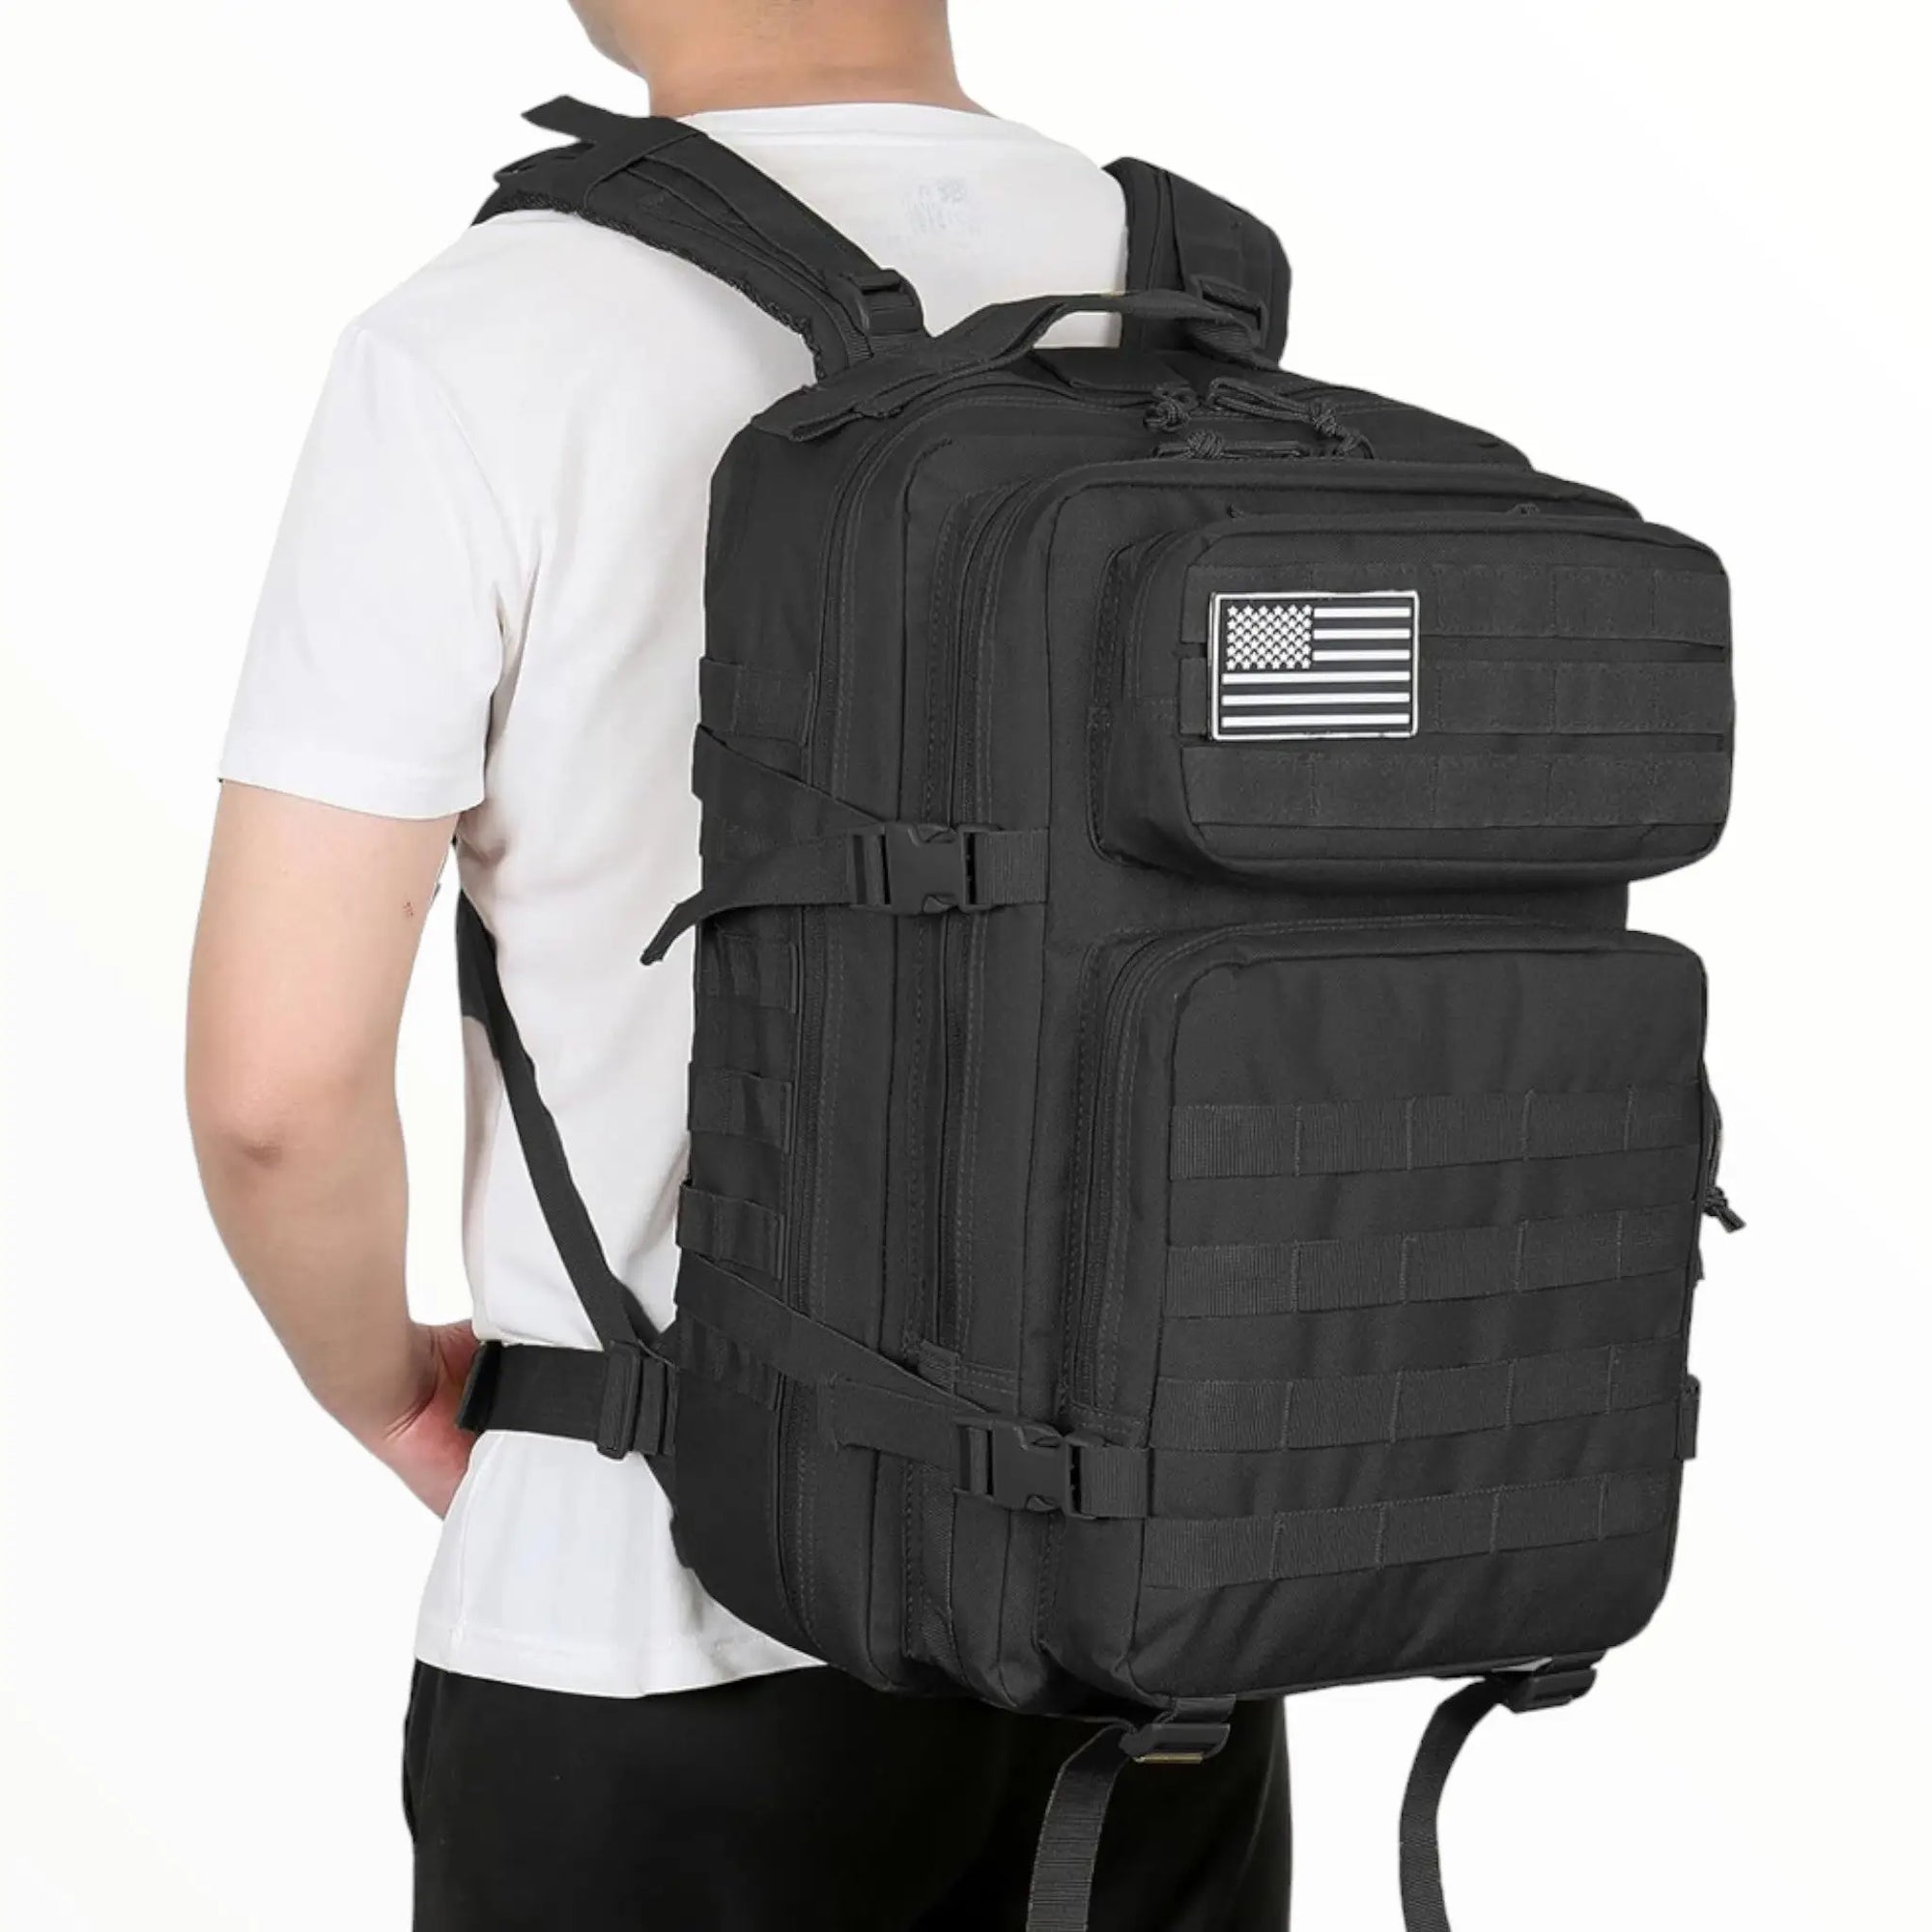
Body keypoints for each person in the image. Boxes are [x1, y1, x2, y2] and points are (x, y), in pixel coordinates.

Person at [186, 2, 1290, 1924]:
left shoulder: (489, 339)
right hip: (1151, 1625)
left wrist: (385, 1392)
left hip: (649, 1612)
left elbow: (275, 1094)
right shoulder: (1194, 305)